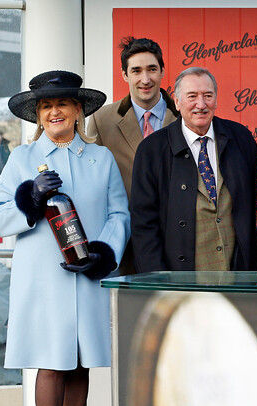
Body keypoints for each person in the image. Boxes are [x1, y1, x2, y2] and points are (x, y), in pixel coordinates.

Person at [0, 70, 129, 406]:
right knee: (52, 363)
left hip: (85, 277)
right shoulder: (20, 158)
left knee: (81, 363)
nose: (55, 111)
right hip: (42, 281)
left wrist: (102, 255)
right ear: (38, 114)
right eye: (47, 106)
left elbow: (118, 216)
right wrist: (30, 196)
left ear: (78, 110)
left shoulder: (101, 159)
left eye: (63, 104)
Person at [130, 67, 257, 272]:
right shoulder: (152, 150)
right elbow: (143, 225)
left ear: (216, 100)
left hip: (239, 278)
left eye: (208, 96)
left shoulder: (241, 138)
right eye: (192, 96)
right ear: (177, 101)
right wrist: (158, 282)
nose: (201, 104)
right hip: (180, 283)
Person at [87, 37, 178, 275]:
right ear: (124, 74)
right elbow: (93, 180)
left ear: (162, 71)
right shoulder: (101, 120)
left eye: (152, 69)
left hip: (177, 241)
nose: (145, 79)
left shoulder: (184, 118)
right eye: (136, 71)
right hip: (124, 242)